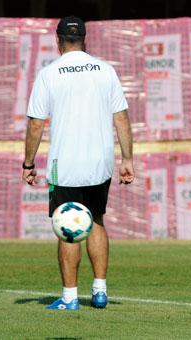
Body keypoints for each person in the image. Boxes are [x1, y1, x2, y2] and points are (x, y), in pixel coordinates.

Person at [21, 16, 134, 311]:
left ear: (58, 41)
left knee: (67, 227)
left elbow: (36, 124)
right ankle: (99, 291)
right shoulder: (105, 70)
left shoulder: (49, 73)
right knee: (96, 219)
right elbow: (121, 116)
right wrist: (128, 159)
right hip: (100, 162)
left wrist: (28, 163)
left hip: (65, 164)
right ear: (86, 40)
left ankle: (70, 297)